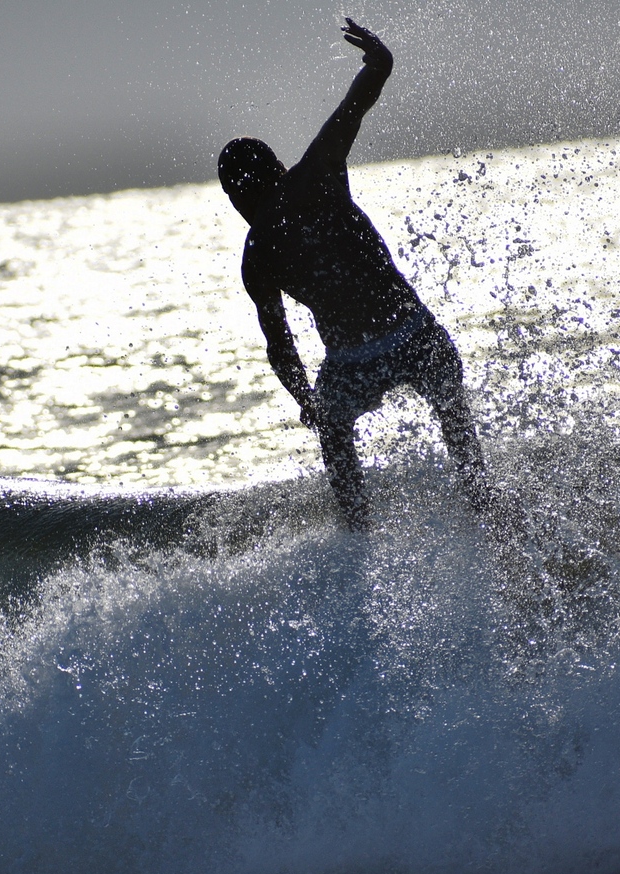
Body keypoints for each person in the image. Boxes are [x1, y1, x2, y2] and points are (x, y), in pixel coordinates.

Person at [220, 19, 490, 529]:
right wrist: (378, 63)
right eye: (236, 197)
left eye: (242, 193)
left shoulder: (270, 239)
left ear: (268, 177)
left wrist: (309, 402)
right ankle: (380, 531)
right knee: (348, 426)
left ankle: (369, 532)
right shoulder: (296, 201)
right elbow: (279, 344)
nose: (242, 205)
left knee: (338, 427)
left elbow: (281, 348)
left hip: (389, 345)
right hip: (383, 346)